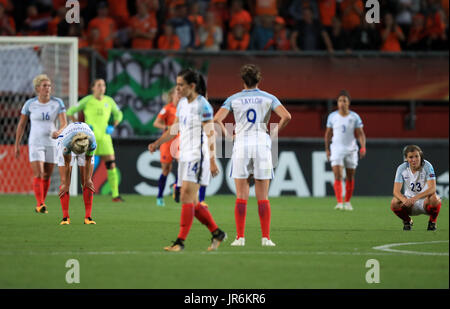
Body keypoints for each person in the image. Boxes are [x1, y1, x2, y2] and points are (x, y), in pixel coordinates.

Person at [148, 68, 226, 252]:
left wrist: (213, 160)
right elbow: (174, 129)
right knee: (192, 201)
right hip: (184, 156)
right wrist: (158, 143)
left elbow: (210, 134)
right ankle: (217, 233)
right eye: (177, 85)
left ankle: (180, 242)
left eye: (181, 85)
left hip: (198, 157)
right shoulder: (182, 104)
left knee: (185, 197)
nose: (178, 89)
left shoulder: (203, 106)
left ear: (192, 86)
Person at [214, 64, 292, 247]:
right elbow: (287, 116)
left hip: (241, 143)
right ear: (259, 80)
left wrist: (229, 136)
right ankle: (266, 238)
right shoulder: (268, 98)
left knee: (241, 194)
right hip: (262, 144)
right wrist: (273, 133)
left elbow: (217, 119)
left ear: (243, 81)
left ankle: (240, 238)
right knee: (262, 195)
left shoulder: (234, 99)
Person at [14, 74, 67, 214]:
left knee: (47, 175)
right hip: (35, 142)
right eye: (44, 86)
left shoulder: (58, 103)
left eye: (49, 86)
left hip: (51, 143)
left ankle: (41, 204)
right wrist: (17, 145)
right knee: (39, 173)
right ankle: (40, 203)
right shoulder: (30, 104)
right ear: (38, 88)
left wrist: (59, 132)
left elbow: (64, 123)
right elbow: (21, 124)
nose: (48, 88)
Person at [66, 79, 124, 202]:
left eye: (103, 85)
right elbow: (70, 112)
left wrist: (113, 125)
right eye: (98, 85)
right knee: (87, 167)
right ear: (93, 88)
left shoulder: (109, 101)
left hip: (105, 139)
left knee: (111, 165)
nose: (101, 87)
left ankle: (115, 195)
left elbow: (119, 114)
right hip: (89, 139)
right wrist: (81, 126)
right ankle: (86, 193)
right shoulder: (87, 100)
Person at [324, 90, 366, 211]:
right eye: (340, 100)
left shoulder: (354, 117)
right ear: (337, 103)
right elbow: (328, 134)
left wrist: (363, 147)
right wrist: (327, 149)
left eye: (345, 100)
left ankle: (347, 201)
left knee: (350, 176)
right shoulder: (332, 116)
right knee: (338, 175)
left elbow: (360, 134)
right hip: (336, 149)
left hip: (351, 149)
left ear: (348, 103)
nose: (342, 103)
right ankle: (339, 202)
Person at [391, 145, 442, 231]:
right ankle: (407, 221)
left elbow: (432, 188)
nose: (414, 159)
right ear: (406, 158)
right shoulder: (401, 168)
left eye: (416, 156)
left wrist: (416, 198)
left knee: (435, 199)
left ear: (420, 156)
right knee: (394, 202)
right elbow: (396, 191)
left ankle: (432, 222)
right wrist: (404, 200)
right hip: (409, 202)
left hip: (425, 201)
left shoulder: (427, 166)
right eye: (411, 157)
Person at [56, 122, 97, 225]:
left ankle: (88, 217)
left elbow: (88, 160)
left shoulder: (92, 143)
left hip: (84, 143)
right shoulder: (65, 145)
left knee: (86, 182)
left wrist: (88, 179)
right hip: (67, 141)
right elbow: (67, 164)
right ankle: (65, 218)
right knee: (65, 183)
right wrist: (65, 184)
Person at [153, 87, 180, 206]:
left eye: (180, 94)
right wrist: (166, 128)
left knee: (183, 165)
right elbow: (156, 123)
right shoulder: (167, 108)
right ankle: (159, 196)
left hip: (180, 141)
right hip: (168, 141)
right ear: (172, 96)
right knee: (166, 169)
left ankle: (176, 184)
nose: (179, 96)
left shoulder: (185, 108)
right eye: (177, 94)